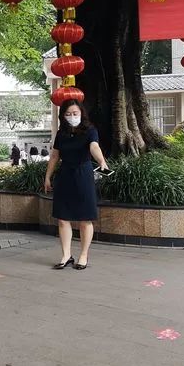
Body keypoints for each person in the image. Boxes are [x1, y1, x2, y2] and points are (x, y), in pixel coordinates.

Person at [45, 100, 108, 271]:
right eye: (68, 114)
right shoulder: (61, 133)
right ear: (63, 116)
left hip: (83, 175)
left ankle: (83, 255)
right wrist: (48, 177)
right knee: (63, 218)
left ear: (81, 113)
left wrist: (101, 161)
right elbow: (54, 156)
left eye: (75, 113)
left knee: (85, 218)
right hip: (64, 175)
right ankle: (66, 255)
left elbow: (94, 147)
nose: (72, 116)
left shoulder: (90, 130)